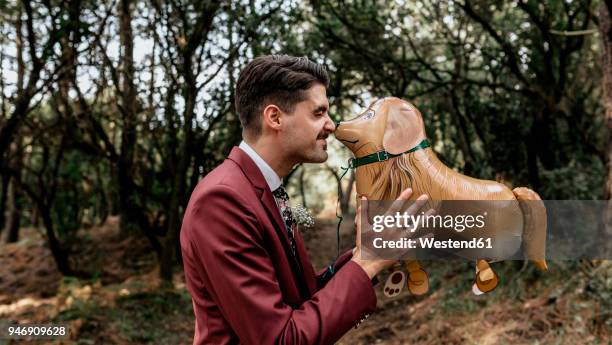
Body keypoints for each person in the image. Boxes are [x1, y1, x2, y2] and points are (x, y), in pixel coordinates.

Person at [179, 54, 427, 345]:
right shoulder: (222, 200)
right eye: (318, 113)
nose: (332, 125)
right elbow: (282, 339)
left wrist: (365, 250)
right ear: (274, 117)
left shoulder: (263, 187)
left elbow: (300, 298)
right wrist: (368, 263)